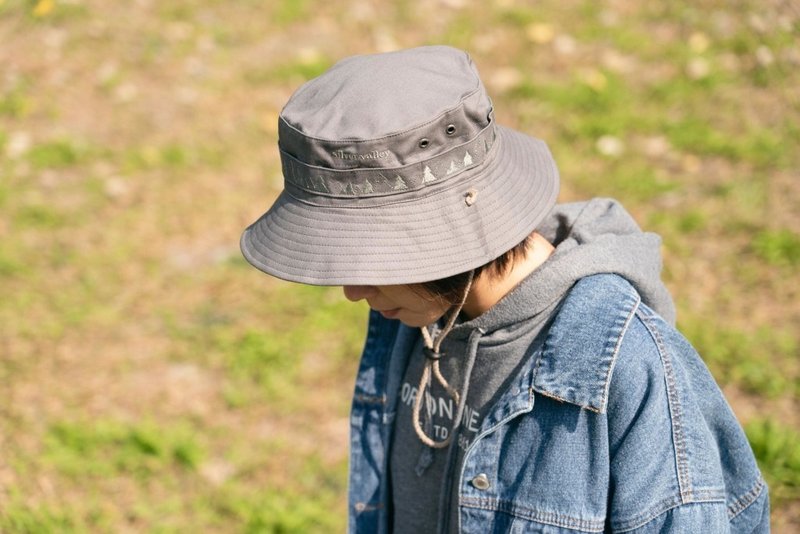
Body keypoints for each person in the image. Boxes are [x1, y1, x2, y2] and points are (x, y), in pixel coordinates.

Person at [240, 46, 769, 533]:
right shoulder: (415, 312)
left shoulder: (628, 368)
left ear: (442, 233)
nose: (352, 292)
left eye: (373, 257)